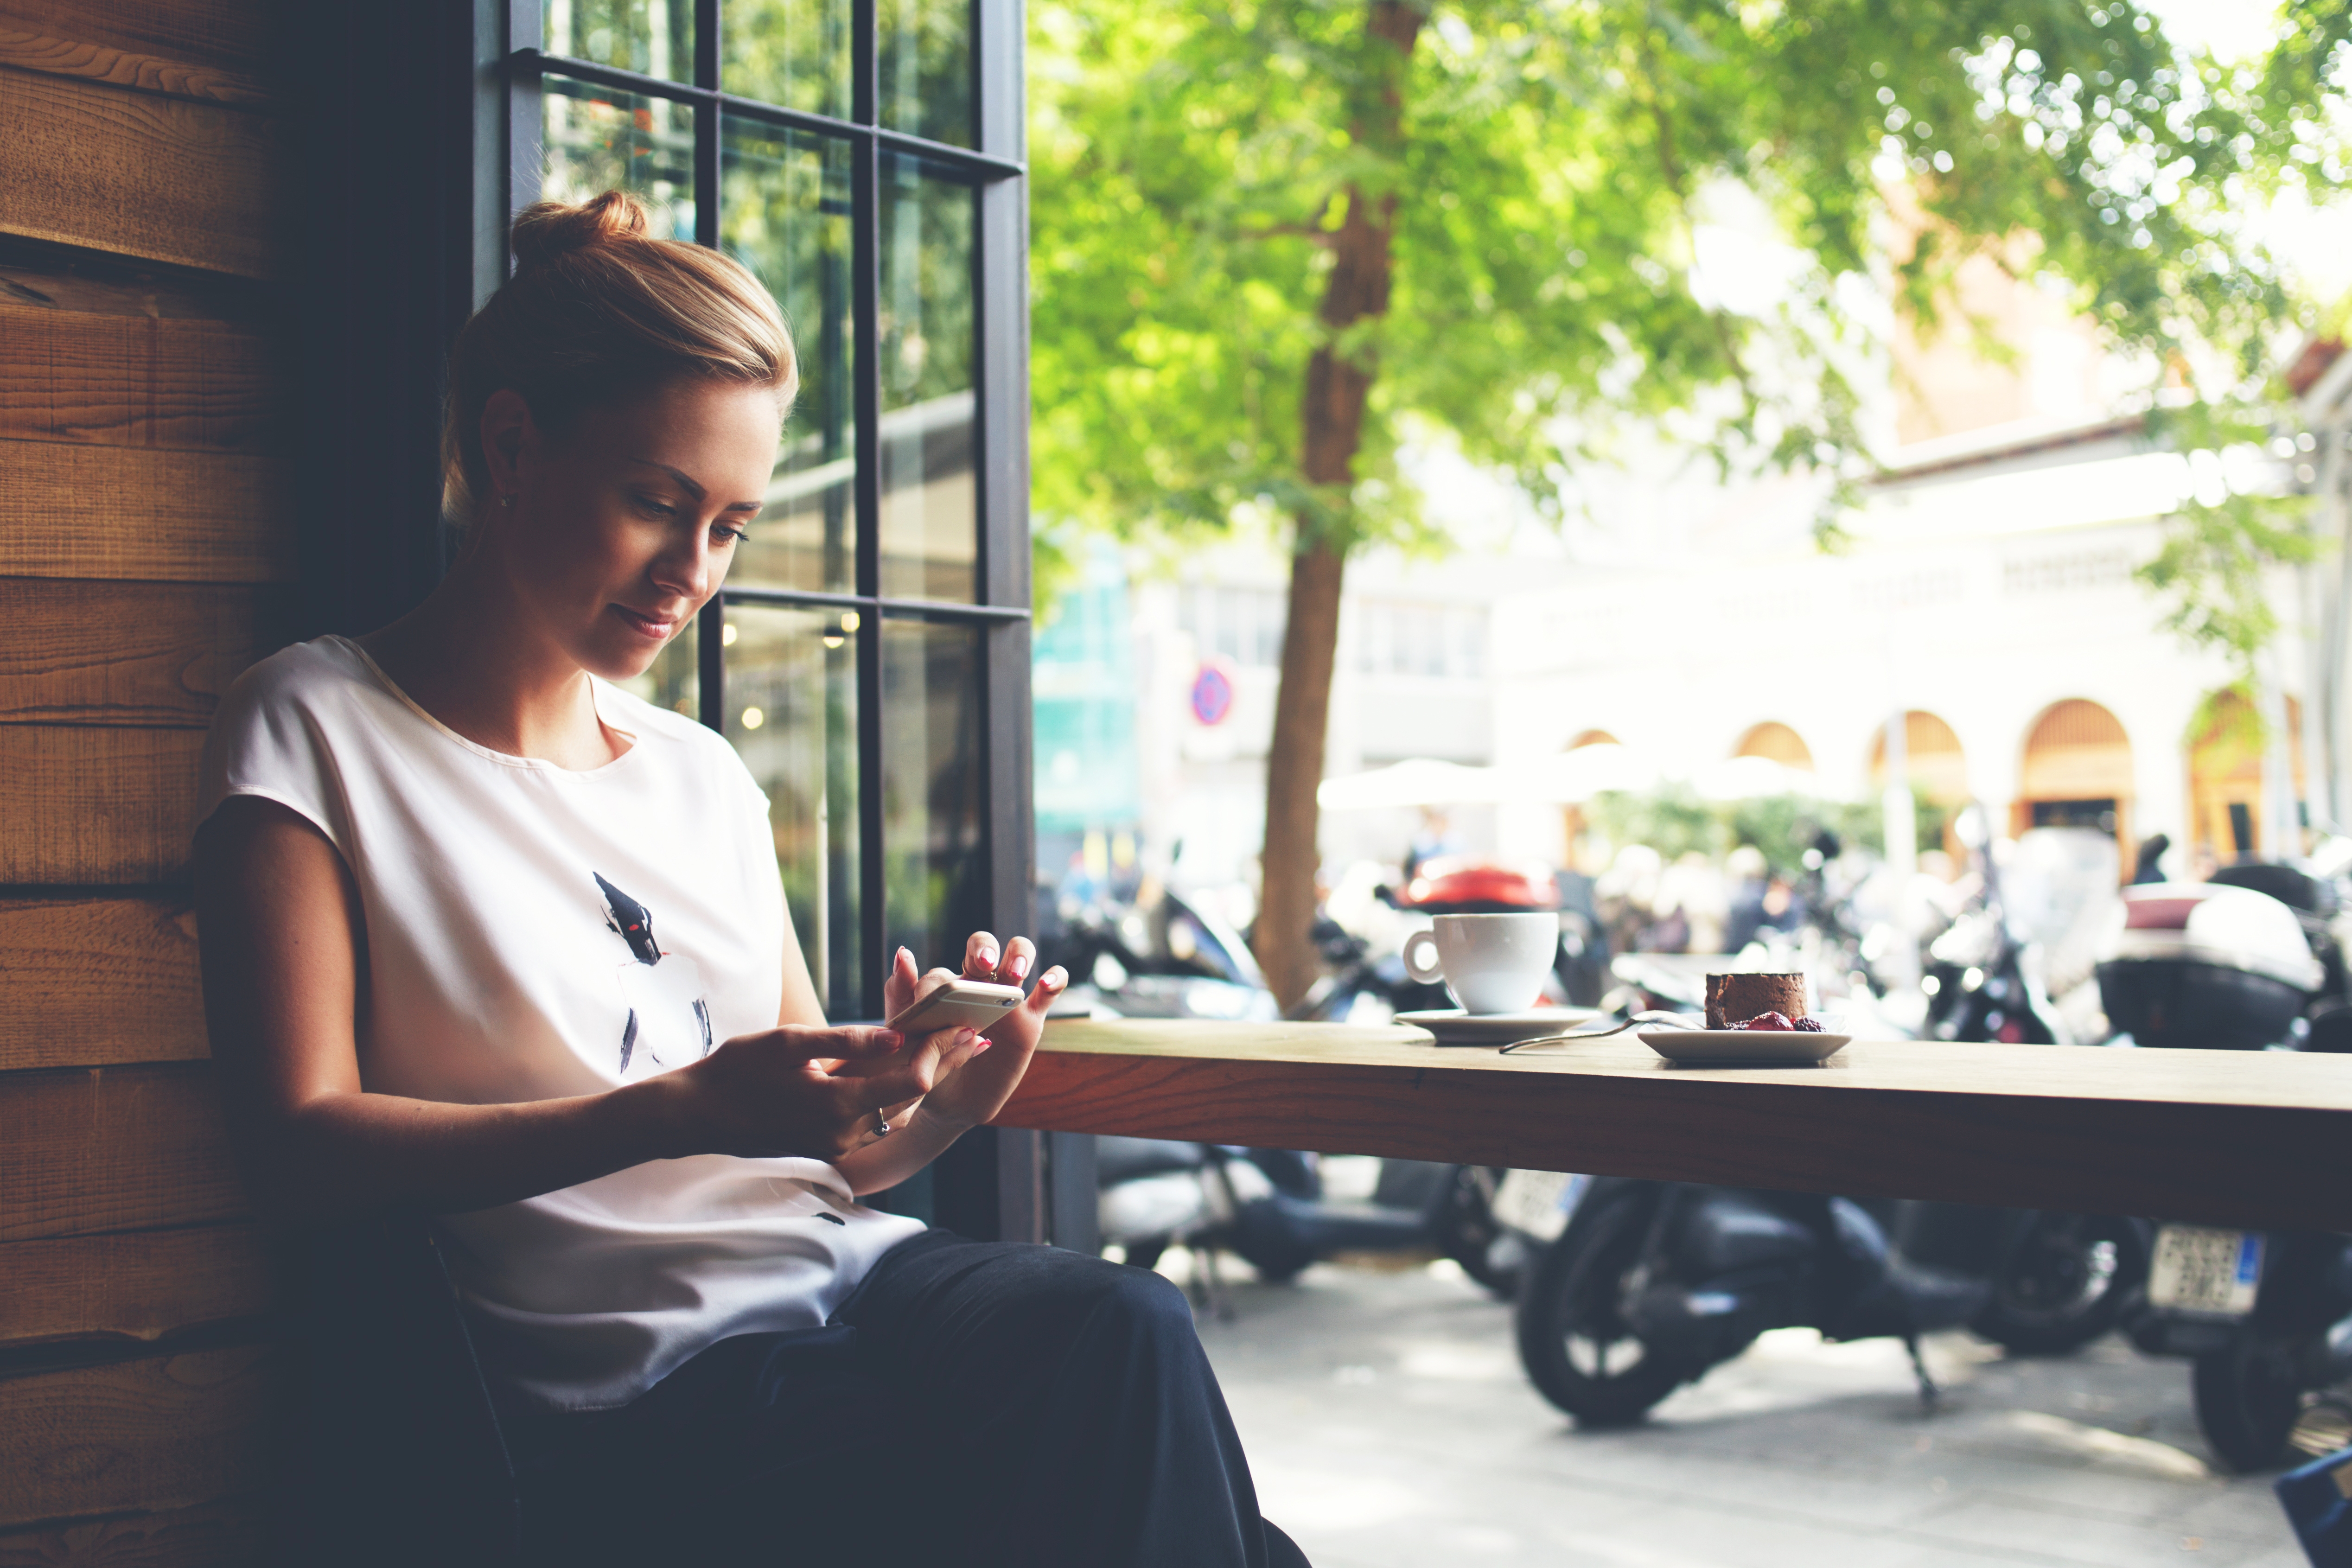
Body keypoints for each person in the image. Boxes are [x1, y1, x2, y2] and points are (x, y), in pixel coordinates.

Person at [193, 191, 1308, 1568]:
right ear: (511, 446)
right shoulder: (315, 724)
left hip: (843, 1288)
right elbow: (295, 1148)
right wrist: (674, 1109)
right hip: (626, 1379)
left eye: (728, 525)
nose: (693, 573)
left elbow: (824, 1160)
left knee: (1122, 1326)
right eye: (657, 503)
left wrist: (940, 1097)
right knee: (1131, 1490)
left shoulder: (700, 771)